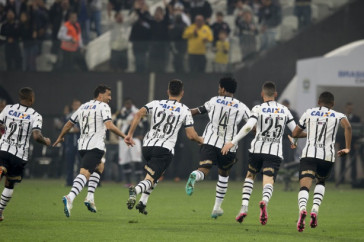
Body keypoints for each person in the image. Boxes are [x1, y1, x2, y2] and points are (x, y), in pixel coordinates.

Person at [221, 81, 305, 225]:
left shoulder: (258, 108)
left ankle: (244, 208)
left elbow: (248, 127)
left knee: (250, 176)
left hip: (257, 149)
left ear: (262, 94)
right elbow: (296, 131)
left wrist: (232, 142)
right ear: (276, 94)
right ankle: (264, 201)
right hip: (274, 152)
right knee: (268, 180)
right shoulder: (284, 110)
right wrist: (295, 140)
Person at [124, 79, 203, 215]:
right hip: (164, 149)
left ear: (168, 91)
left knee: (156, 174)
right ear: (182, 93)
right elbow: (191, 135)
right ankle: (135, 190)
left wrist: (130, 134)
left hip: (147, 147)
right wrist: (200, 139)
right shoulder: (184, 110)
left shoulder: (156, 103)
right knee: (150, 179)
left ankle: (143, 202)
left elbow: (138, 114)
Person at [53, 84, 129, 217]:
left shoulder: (83, 106)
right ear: (100, 95)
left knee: (100, 167)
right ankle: (70, 197)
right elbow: (109, 125)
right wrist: (125, 136)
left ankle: (90, 197)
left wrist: (60, 137)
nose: (110, 98)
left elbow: (69, 123)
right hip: (95, 145)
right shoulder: (103, 106)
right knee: (85, 173)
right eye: (108, 95)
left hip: (82, 145)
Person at [185, 77, 251, 219]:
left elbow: (196, 111)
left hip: (209, 142)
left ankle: (195, 176)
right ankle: (216, 207)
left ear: (222, 89)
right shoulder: (241, 106)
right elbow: (252, 125)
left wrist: (181, 112)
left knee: (203, 170)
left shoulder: (214, 100)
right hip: (228, 147)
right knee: (224, 175)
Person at [291, 91, 352, 232]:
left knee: (304, 186)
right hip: (327, 157)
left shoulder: (309, 112)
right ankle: (314, 210)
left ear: (319, 102)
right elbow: (347, 127)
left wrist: (310, 133)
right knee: (321, 182)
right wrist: (347, 148)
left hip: (309, 155)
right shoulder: (338, 115)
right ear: (333, 104)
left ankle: (302, 210)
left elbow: (295, 133)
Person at [0, 87, 51, 221]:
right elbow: (36, 136)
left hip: (3, 149)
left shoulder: (7, 109)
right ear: (31, 99)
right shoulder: (35, 115)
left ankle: (1, 169)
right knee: (10, 184)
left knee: (2, 169)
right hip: (19, 155)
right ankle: (0, 211)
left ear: (20, 97)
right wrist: (46, 141)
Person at [117, 98, 144, 185]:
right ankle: (128, 181)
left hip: (134, 138)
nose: (128, 105)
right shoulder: (121, 113)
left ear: (132, 104)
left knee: (137, 159)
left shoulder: (137, 112)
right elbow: (115, 122)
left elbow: (144, 124)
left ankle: (138, 180)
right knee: (125, 160)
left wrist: (142, 134)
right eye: (126, 104)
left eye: (129, 103)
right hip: (123, 139)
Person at [64, 99, 81, 186]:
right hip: (70, 144)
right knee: (69, 164)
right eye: (75, 105)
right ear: (72, 106)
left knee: (81, 164)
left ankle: (81, 182)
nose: (77, 106)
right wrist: (72, 130)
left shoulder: (83, 115)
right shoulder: (68, 116)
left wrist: (79, 130)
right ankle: (69, 182)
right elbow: (64, 128)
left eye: (79, 105)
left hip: (81, 144)